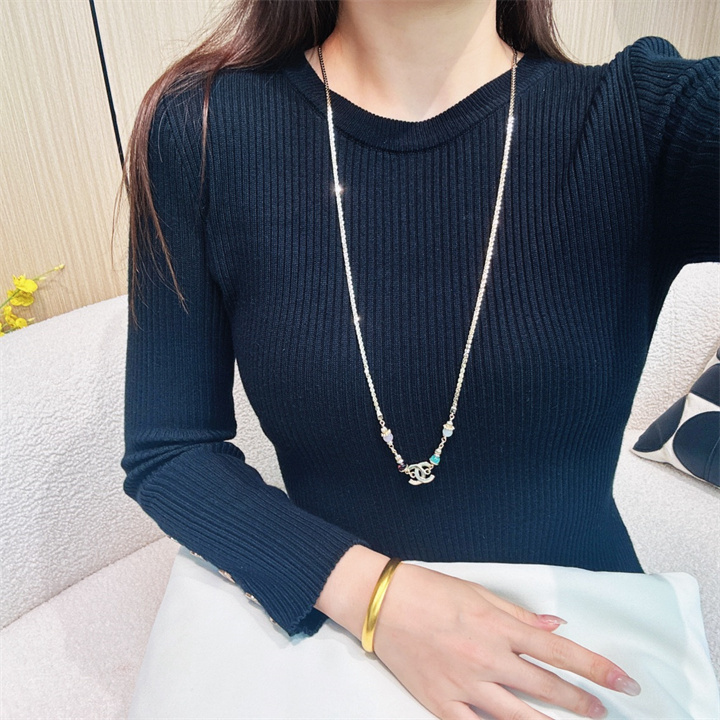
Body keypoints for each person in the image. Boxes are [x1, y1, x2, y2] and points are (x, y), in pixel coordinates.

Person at [119, 0, 719, 718]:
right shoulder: (203, 127)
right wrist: (379, 599)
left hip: (573, 643)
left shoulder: (643, 119)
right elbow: (172, 451)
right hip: (337, 631)